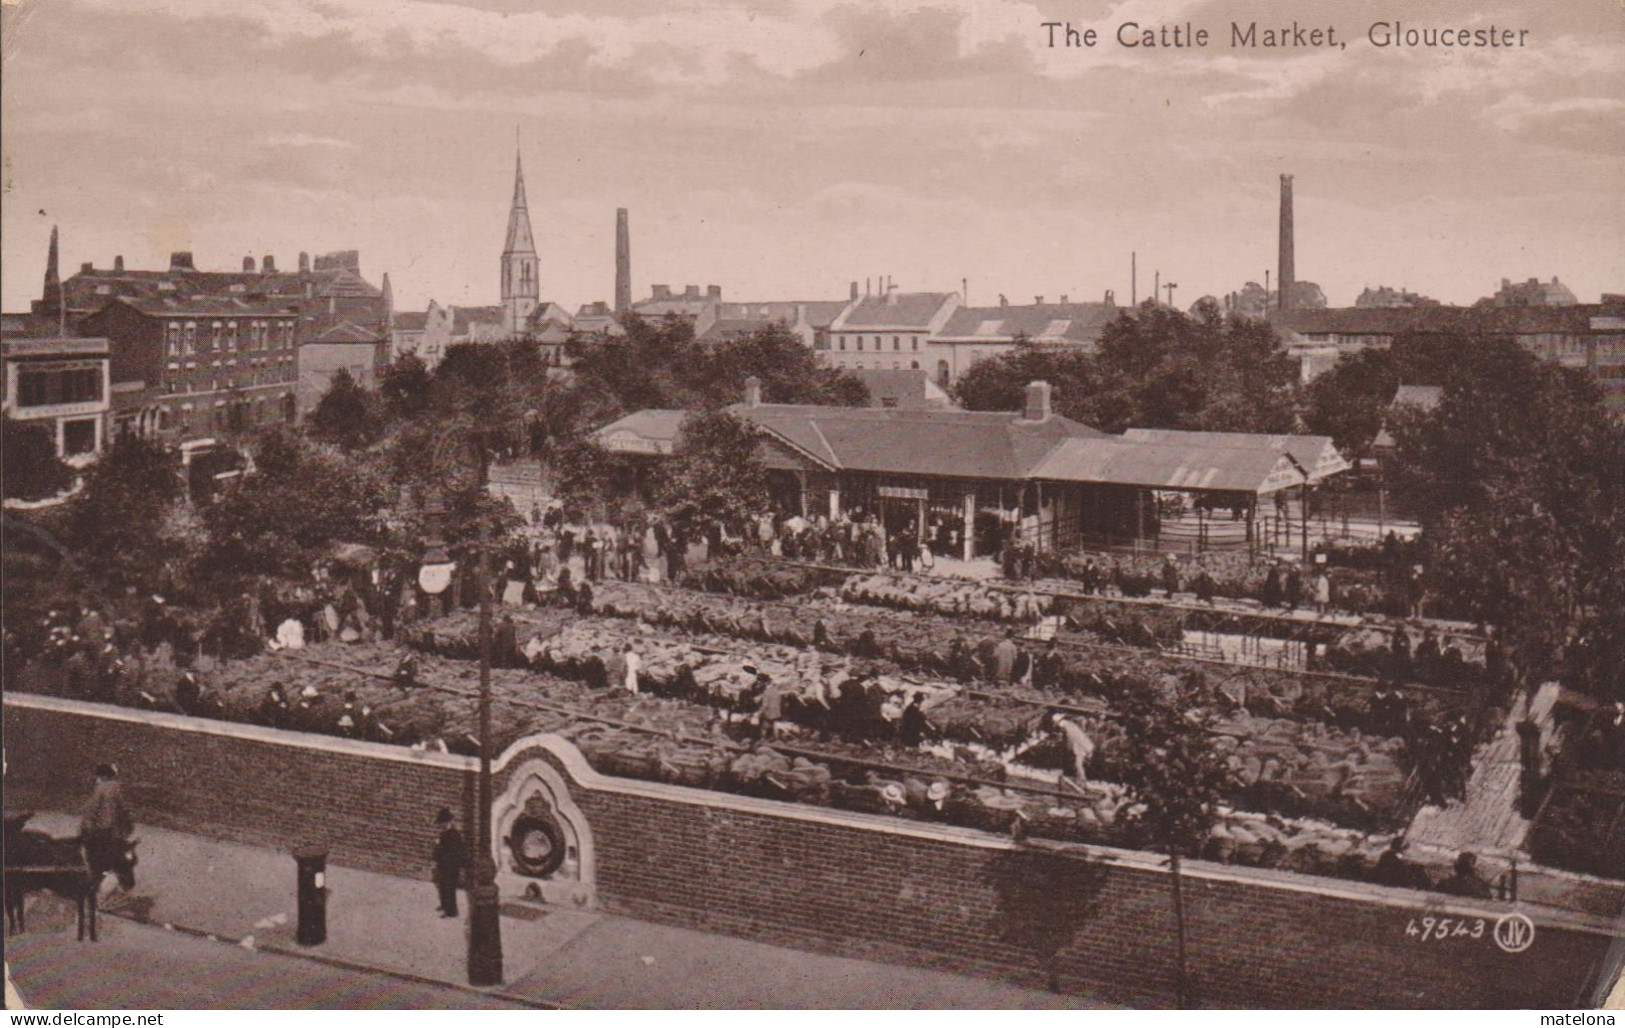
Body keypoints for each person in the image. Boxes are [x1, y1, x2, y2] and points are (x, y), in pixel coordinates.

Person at [79, 763, 134, 882]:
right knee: (114, 854)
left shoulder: (101, 788)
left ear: (102, 776)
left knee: (92, 856)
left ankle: (93, 877)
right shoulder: (117, 788)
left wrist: (85, 827)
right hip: (114, 831)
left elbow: (92, 809)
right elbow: (123, 810)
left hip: (100, 830)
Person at [432, 808, 467, 918]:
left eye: (443, 823)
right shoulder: (446, 834)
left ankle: (451, 911)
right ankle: (444, 905)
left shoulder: (452, 835)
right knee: (443, 886)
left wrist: (439, 844)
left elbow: (454, 851)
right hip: (445, 865)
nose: (441, 826)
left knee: (449, 888)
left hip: (450, 866)